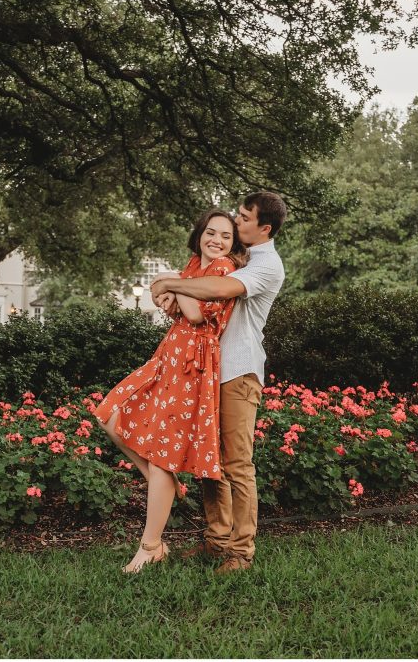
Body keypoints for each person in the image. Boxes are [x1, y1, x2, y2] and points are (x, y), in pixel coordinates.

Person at [94, 209, 249, 573]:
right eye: (210, 233)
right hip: (169, 355)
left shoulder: (223, 268)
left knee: (161, 450)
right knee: (111, 413)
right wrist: (171, 288)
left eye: (225, 236)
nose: (217, 241)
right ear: (199, 235)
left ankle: (151, 545)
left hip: (193, 364)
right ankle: (162, 487)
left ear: (232, 243)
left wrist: (170, 283)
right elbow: (171, 304)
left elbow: (194, 314)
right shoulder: (195, 265)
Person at [150, 191, 286, 575]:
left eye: (244, 218)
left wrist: (169, 281)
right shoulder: (240, 258)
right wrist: (176, 288)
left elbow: (218, 289)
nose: (237, 222)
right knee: (211, 459)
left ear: (264, 228)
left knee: (237, 464)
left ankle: (240, 552)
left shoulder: (266, 265)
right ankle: (216, 540)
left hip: (238, 373)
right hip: (211, 371)